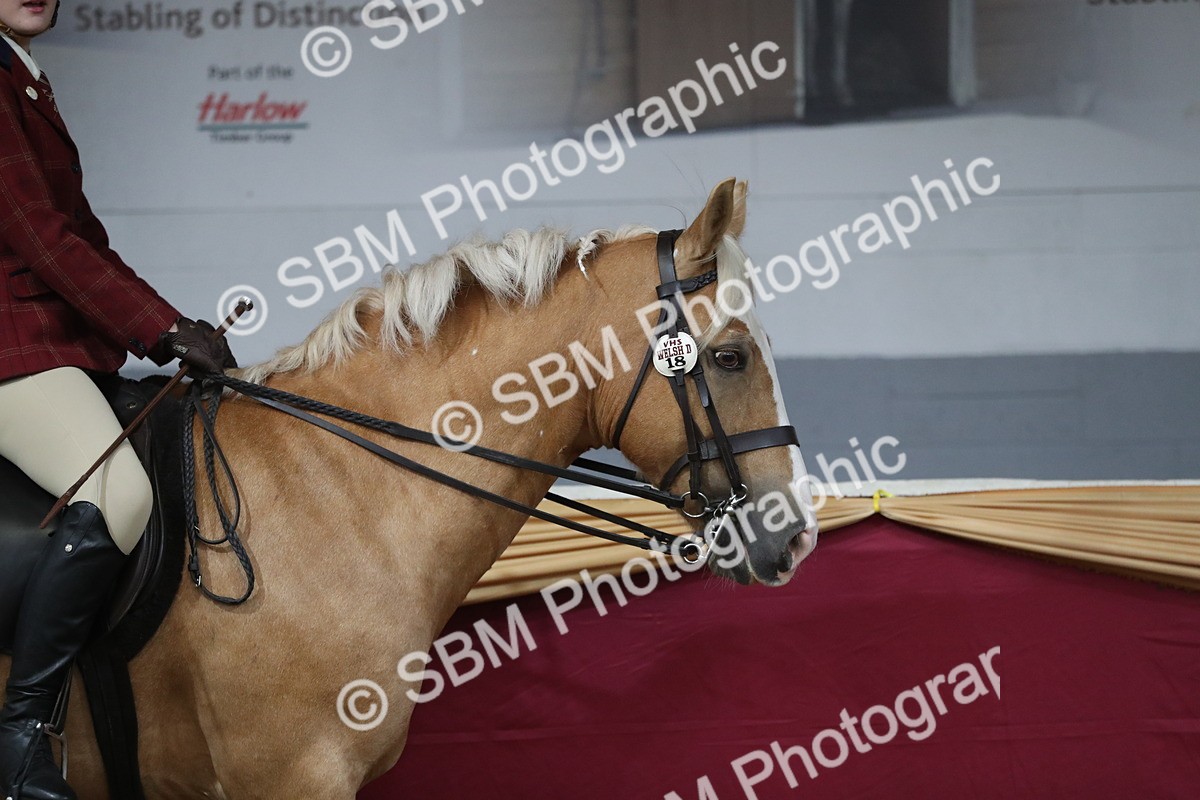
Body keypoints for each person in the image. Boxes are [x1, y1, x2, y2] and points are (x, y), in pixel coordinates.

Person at [0, 1, 236, 797]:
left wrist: (173, 323)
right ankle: (22, 741)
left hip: (53, 342)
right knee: (119, 493)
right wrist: (160, 332)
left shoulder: (22, 76)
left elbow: (85, 237)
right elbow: (37, 233)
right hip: (10, 349)